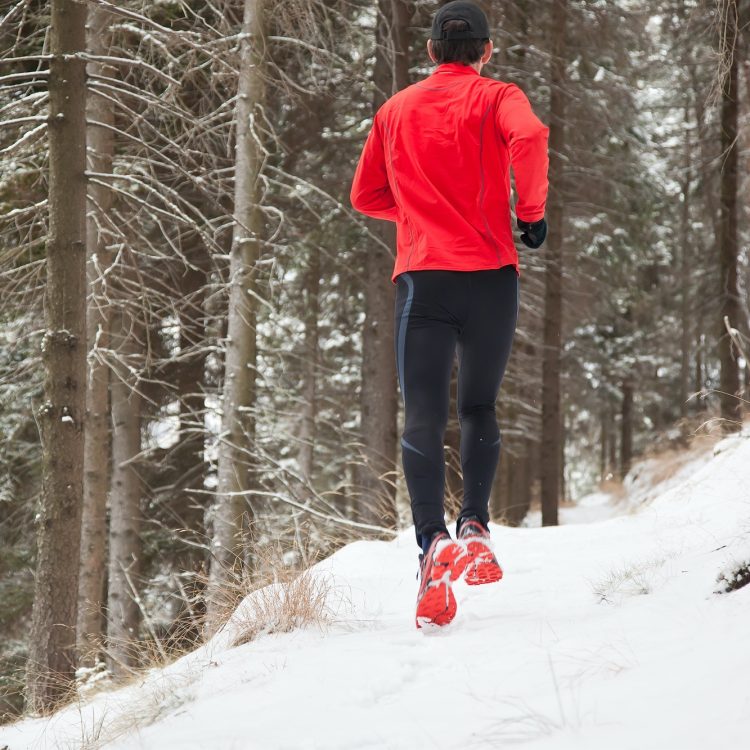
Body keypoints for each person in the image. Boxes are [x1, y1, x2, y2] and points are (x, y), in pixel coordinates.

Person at [349, 1, 549, 628]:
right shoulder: (498, 97)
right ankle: (477, 527)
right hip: (491, 277)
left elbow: (365, 195)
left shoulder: (395, 110)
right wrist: (530, 214)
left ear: (432, 52)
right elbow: (533, 136)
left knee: (424, 418)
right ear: (486, 51)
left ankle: (432, 543)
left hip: (424, 281)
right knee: (479, 408)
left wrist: (416, 216)